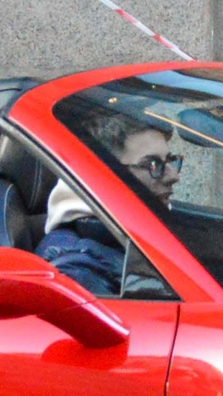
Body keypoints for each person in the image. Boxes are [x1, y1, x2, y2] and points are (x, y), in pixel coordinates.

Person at [38, 117, 182, 295]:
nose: (173, 176)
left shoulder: (122, 239)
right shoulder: (78, 275)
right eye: (152, 164)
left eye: (170, 160)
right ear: (102, 176)